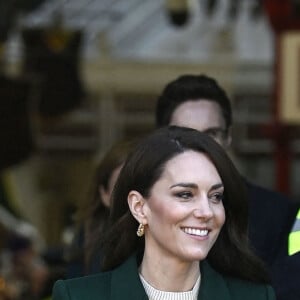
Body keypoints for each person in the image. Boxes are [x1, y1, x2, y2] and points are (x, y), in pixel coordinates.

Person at [52, 126, 275, 300]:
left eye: (215, 197)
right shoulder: (79, 296)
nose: (207, 212)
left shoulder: (255, 296)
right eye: (185, 194)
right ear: (139, 207)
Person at [155, 74, 298, 269]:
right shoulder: (145, 211)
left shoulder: (280, 213)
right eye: (185, 134)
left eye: (211, 134)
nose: (200, 145)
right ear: (163, 140)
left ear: (229, 137)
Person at [64, 138, 136, 278]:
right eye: (120, 187)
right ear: (104, 194)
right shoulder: (87, 241)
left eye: (137, 184)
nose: (131, 196)